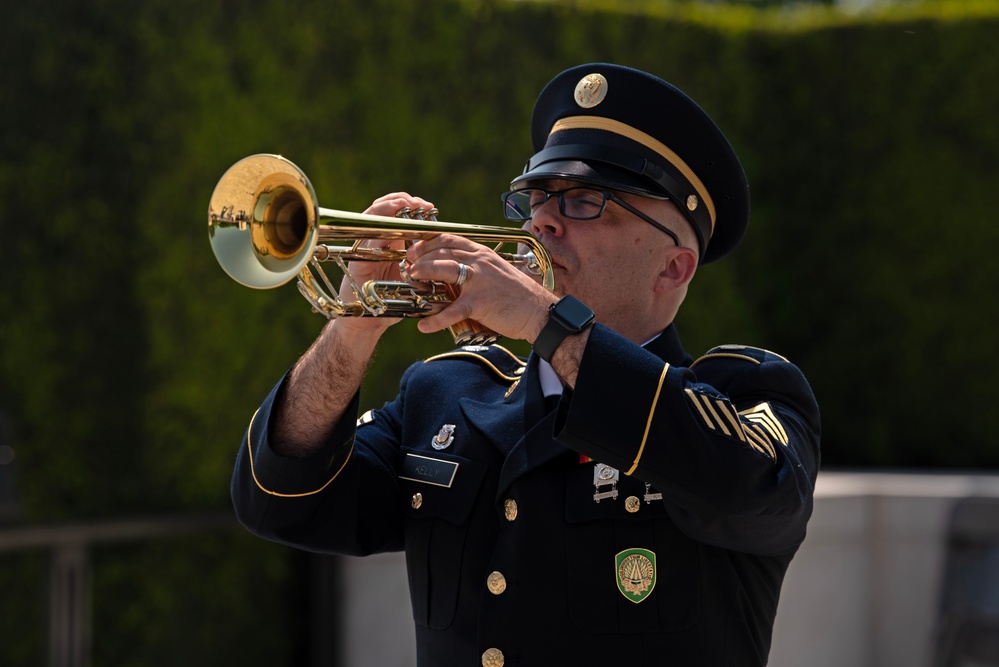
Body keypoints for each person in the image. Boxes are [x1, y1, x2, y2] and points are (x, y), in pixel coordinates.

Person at [231, 63, 821, 666]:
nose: (542, 218)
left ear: (672, 268)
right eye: (536, 198)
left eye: (586, 202)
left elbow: (751, 492)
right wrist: (356, 320)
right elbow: (280, 498)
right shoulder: (446, 393)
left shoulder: (748, 392)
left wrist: (547, 320)